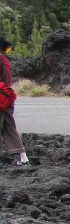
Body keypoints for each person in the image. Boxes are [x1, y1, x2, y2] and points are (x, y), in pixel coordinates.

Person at [0, 36, 29, 167]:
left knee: (8, 127)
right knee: (9, 128)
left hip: (2, 98)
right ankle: (23, 158)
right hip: (6, 97)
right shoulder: (4, 59)